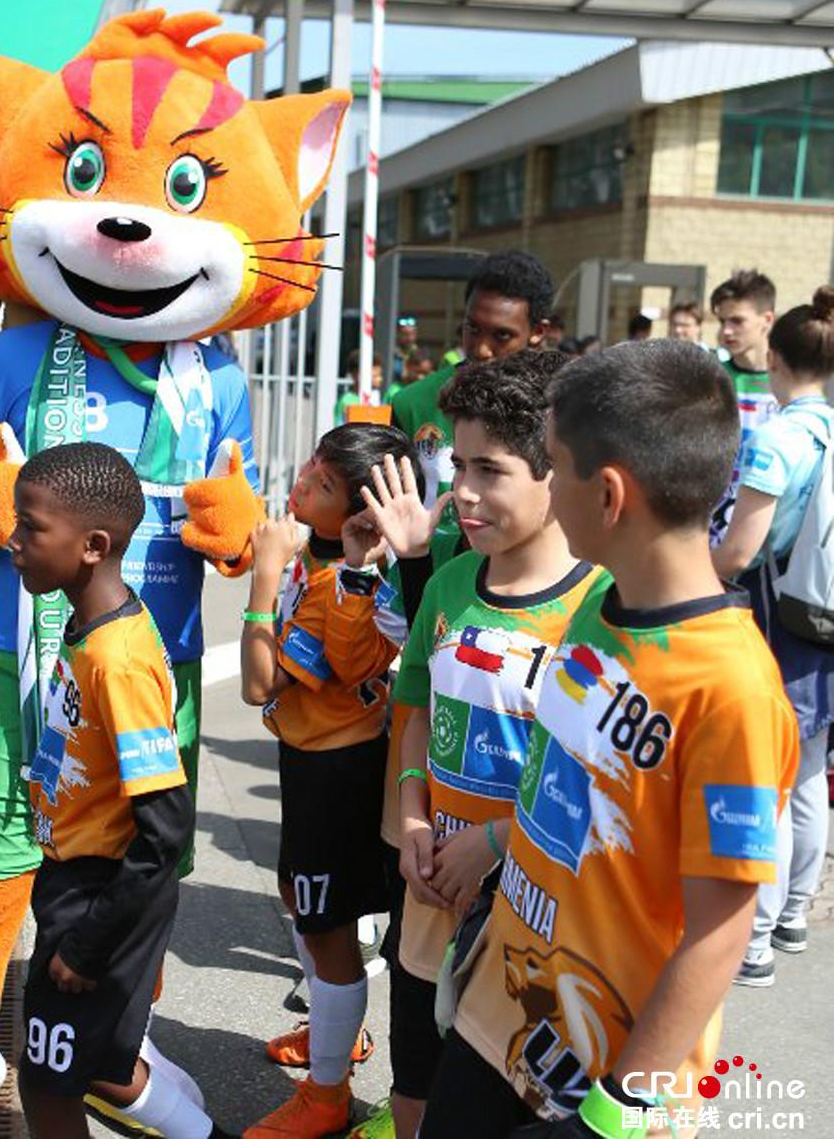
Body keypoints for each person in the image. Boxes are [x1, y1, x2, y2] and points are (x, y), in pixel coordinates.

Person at [421, 339, 799, 1138]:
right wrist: (495, 853)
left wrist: (619, 1109)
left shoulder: (732, 691)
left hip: (601, 1078)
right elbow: (563, 789)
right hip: (502, 1016)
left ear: (610, 495)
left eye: (555, 465)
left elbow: (722, 929)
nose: (546, 486)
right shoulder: (599, 608)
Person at [349, 349, 605, 1139]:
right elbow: (415, 705)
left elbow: (601, 785)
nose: (460, 490)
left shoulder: (602, 607)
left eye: (489, 470)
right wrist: (412, 818)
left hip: (531, 927)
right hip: (430, 894)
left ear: (557, 472)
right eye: (457, 465)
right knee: (415, 1094)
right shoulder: (451, 583)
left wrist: (494, 842)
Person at [9, 441, 231, 1139]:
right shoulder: (91, 626)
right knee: (100, 1064)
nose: (12, 541)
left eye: (30, 527)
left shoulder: (118, 661)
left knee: (46, 1085)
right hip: (76, 881)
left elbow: (165, 829)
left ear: (93, 546)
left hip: (99, 894)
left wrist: (87, 944)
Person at [241, 423, 421, 1138]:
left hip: (336, 772)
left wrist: (263, 576)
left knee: (328, 932)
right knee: (303, 902)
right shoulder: (322, 557)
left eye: (321, 483)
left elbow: (259, 685)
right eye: (311, 467)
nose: (301, 484)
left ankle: (326, 1094)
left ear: (359, 516)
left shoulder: (339, 583)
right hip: (312, 757)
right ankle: (334, 1035)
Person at [712, 287, 834, 987]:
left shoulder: (779, 438)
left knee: (771, 780)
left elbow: (738, 551)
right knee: (809, 770)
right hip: (825, 617)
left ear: (777, 360)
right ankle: (792, 917)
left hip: (780, 622)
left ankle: (752, 946)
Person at [390, 250, 554, 564]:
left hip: (525, 581)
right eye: (473, 328)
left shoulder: (559, 407)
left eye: (502, 335)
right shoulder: (412, 402)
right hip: (424, 578)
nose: (482, 348)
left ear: (538, 332)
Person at [710, 269, 778, 546]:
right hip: (711, 525)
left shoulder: (788, 381)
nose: (726, 331)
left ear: (767, 320)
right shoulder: (712, 376)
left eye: (737, 321)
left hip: (768, 529)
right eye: (722, 321)